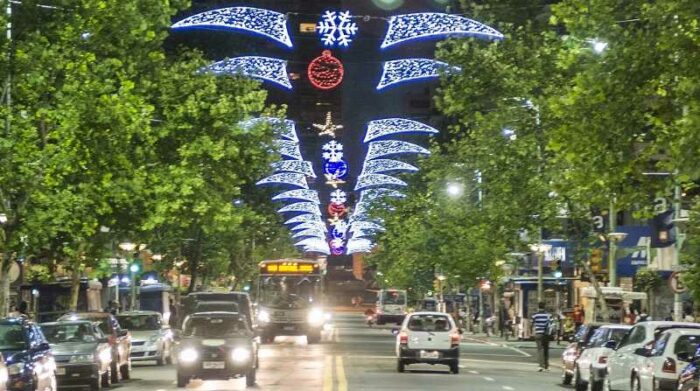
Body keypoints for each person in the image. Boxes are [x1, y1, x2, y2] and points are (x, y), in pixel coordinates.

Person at [531, 302, 553, 372]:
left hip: (538, 334)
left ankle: (540, 366)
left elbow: (531, 324)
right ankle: (546, 366)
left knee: (540, 350)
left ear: (538, 307)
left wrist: (532, 332)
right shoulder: (548, 315)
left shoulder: (535, 315)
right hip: (546, 334)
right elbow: (552, 324)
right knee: (546, 350)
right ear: (544, 307)